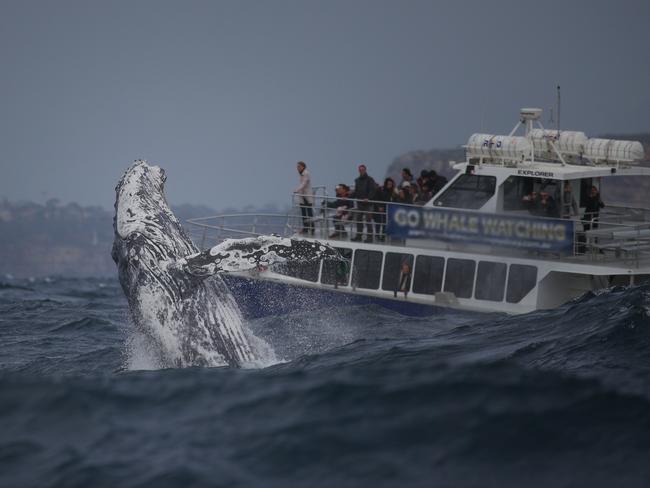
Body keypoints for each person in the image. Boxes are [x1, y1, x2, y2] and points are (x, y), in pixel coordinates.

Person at [350, 164, 378, 242]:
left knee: (368, 221)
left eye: (362, 170)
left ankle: (370, 237)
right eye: (360, 170)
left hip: (368, 204)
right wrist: (348, 196)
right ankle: (359, 236)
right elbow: (356, 191)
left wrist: (368, 198)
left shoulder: (370, 180)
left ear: (365, 170)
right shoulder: (357, 180)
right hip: (360, 203)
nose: (361, 171)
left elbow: (373, 190)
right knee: (358, 220)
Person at [294, 161, 314, 234]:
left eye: (299, 167)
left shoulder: (306, 173)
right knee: (304, 213)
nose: (297, 168)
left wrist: (297, 189)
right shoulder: (302, 174)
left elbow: (304, 183)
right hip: (303, 197)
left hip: (306, 197)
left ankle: (312, 228)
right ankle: (306, 228)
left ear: (303, 167)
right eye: (297, 167)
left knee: (309, 213)